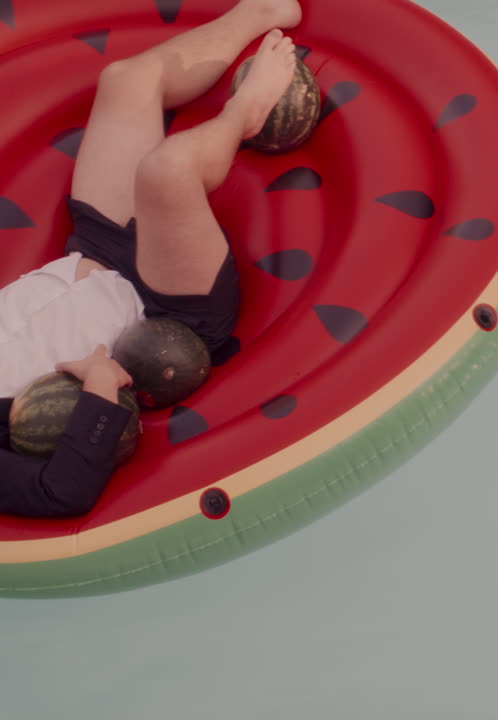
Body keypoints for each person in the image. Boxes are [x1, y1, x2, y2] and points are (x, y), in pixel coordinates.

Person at [0, 0, 304, 518]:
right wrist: (98, 388)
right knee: (166, 173)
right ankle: (243, 116)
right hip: (160, 315)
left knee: (126, 80)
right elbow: (62, 493)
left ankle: (256, 13)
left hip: (92, 250)